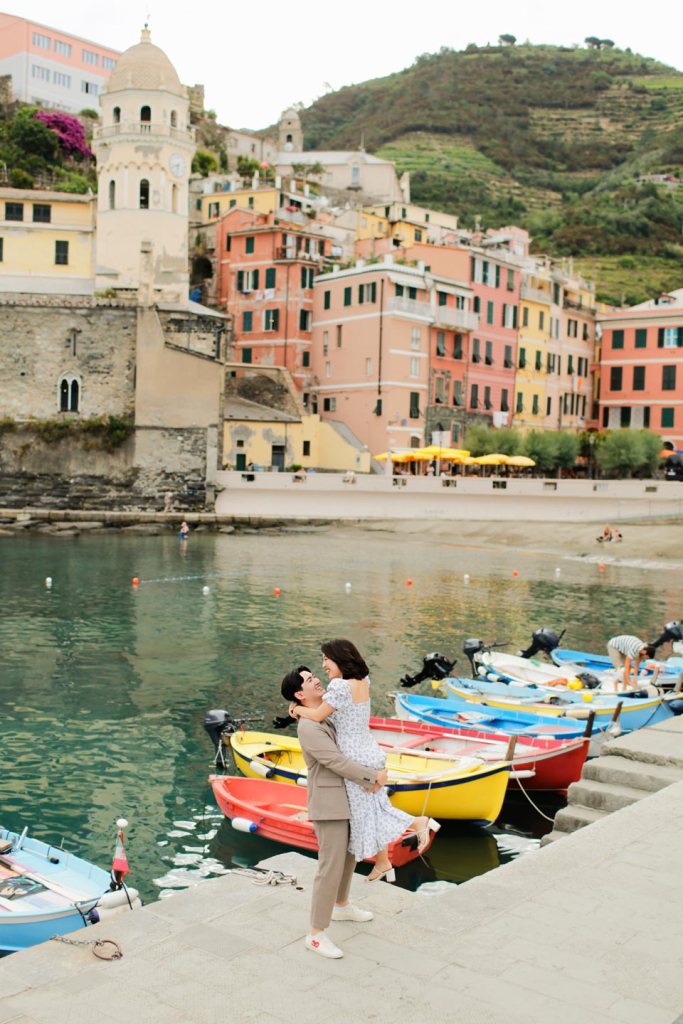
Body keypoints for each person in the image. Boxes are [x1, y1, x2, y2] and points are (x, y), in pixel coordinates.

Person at [289, 639, 438, 882]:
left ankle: (418, 822)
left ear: (338, 658)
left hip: (354, 754)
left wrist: (296, 710)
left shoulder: (339, 686)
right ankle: (383, 862)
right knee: (371, 810)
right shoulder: (362, 681)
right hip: (369, 749)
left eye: (326, 659)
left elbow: (317, 714)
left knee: (365, 813)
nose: (324, 665)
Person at [281, 666, 387, 959]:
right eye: (309, 680)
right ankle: (315, 934)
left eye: (315, 674)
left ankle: (341, 906)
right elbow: (336, 761)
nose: (317, 679)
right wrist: (373, 776)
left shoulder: (325, 714)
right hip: (329, 804)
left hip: (348, 797)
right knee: (330, 865)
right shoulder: (309, 727)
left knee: (350, 855)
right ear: (300, 695)